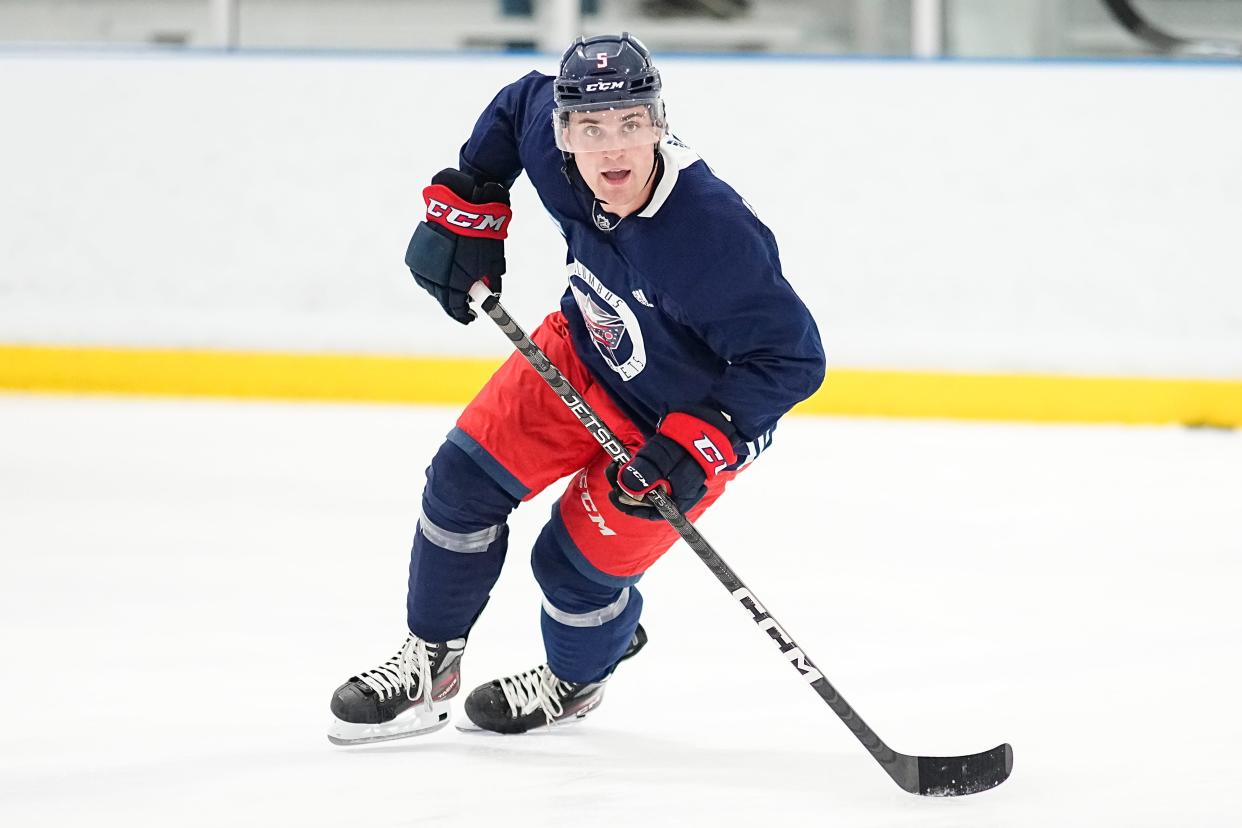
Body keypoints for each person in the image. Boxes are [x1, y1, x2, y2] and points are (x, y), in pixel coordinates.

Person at [327, 32, 825, 744]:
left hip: (677, 425)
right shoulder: (548, 139)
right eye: (591, 129)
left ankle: (578, 679)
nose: (613, 149)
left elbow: (792, 359)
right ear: (564, 133)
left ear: (659, 123)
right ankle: (428, 668)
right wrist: (473, 201)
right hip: (581, 357)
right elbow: (515, 104)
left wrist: (695, 445)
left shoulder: (713, 234)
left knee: (570, 572)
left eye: (631, 124)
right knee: (460, 486)